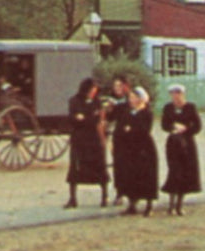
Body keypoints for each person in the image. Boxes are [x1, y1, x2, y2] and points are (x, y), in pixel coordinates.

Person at [111, 85, 158, 216]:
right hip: (129, 149)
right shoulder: (127, 112)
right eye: (130, 97)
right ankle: (132, 204)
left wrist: (130, 130)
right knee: (130, 176)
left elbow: (143, 130)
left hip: (143, 148)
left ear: (140, 99)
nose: (131, 100)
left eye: (133, 97)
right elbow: (120, 128)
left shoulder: (146, 113)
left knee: (146, 175)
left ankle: (149, 205)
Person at [64, 77, 109, 208]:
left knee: (100, 167)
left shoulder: (97, 102)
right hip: (80, 139)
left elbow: (96, 119)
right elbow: (73, 118)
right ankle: (73, 198)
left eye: (95, 91)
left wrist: (85, 118)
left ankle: (104, 196)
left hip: (94, 139)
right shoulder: (74, 101)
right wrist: (86, 118)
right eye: (91, 90)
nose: (93, 93)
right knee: (75, 168)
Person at [160, 83, 202, 216]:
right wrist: (173, 127)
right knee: (174, 171)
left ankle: (179, 205)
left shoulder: (190, 107)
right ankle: (171, 205)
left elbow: (198, 126)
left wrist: (186, 129)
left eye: (178, 93)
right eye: (173, 94)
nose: (175, 97)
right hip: (173, 142)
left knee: (185, 172)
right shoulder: (168, 108)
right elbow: (164, 124)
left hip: (187, 143)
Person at [105, 74, 132, 204]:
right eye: (115, 85)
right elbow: (109, 119)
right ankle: (119, 192)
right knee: (118, 164)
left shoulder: (131, 99)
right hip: (118, 135)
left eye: (119, 85)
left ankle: (132, 192)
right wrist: (109, 110)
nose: (117, 88)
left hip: (130, 135)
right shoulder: (112, 100)